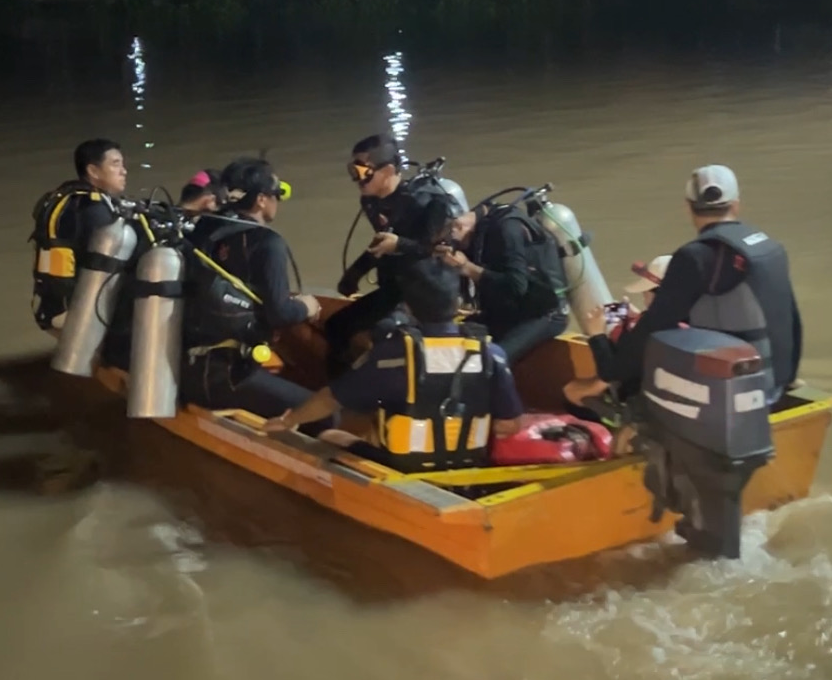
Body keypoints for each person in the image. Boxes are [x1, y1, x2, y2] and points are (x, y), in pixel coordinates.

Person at [572, 165, 802, 407]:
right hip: (775, 382)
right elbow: (793, 320)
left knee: (614, 392)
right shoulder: (770, 247)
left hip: (733, 394)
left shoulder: (695, 256)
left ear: (688, 207)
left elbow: (654, 327)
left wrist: (602, 358)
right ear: (736, 205)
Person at [266, 259, 525, 471]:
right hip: (468, 465)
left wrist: (289, 421)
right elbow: (510, 424)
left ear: (409, 308)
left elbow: (331, 399)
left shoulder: (393, 355)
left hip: (402, 466)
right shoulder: (491, 353)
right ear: (458, 304)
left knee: (331, 436)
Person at [178, 157, 319, 417]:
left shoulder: (200, 228)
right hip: (226, 376)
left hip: (184, 367)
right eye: (276, 194)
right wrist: (307, 306)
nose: (278, 201)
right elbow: (280, 313)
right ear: (261, 200)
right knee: (324, 411)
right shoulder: (266, 242)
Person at [323, 135, 462, 368]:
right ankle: (342, 394)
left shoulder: (430, 203)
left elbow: (431, 248)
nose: (356, 179)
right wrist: (355, 273)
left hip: (431, 294)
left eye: (361, 170)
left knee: (385, 333)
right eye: (352, 170)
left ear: (387, 170)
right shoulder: (371, 202)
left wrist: (399, 245)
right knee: (335, 327)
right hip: (397, 287)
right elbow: (382, 241)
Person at [433, 191, 571, 363]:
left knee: (491, 361)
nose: (449, 246)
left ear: (458, 226)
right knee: (443, 343)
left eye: (445, 241)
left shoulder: (507, 229)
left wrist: (467, 268)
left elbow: (517, 287)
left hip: (543, 313)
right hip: (505, 311)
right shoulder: (476, 225)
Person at [29, 138, 130, 331]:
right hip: (69, 311)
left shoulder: (72, 198)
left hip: (48, 303)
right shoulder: (92, 211)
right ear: (93, 171)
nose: (123, 171)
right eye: (115, 164)